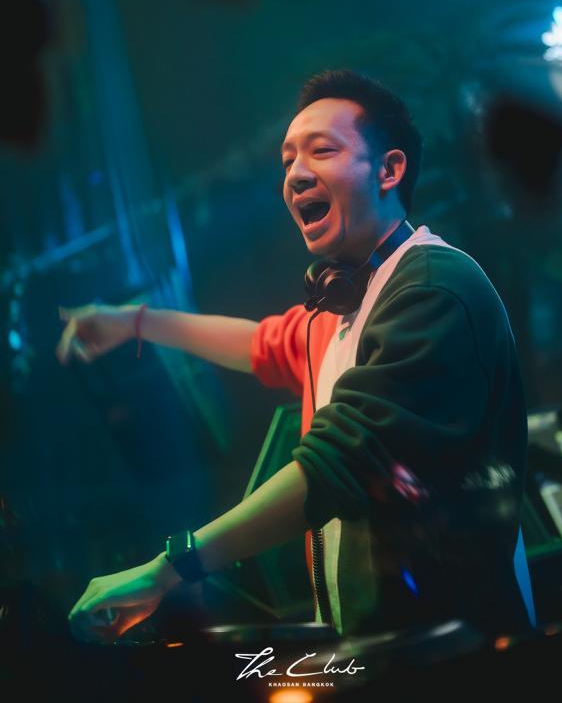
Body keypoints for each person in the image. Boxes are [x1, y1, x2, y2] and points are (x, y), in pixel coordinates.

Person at [58, 70, 535, 643]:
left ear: (389, 170)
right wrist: (134, 322)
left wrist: (169, 569)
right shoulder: (337, 310)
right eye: (287, 161)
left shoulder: (432, 287)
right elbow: (257, 344)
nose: (295, 174)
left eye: (322, 151)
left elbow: (336, 463)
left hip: (459, 647)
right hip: (385, 646)